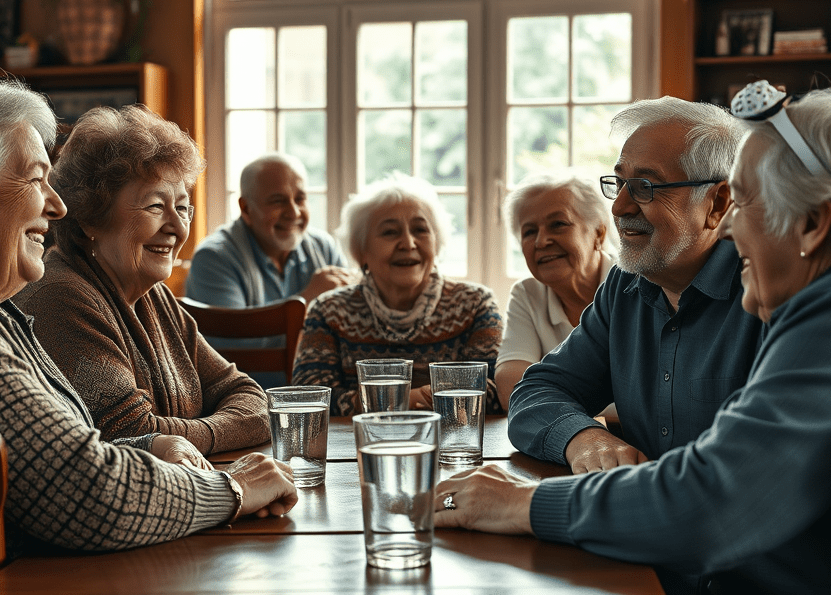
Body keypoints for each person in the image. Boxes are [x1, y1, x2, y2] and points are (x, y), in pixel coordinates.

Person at [435, 82, 831, 595]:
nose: (732, 227)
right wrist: (581, 438)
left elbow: (715, 504)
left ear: (813, 222)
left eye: (746, 202)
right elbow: (542, 389)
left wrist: (518, 503)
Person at [0, 58, 297, 595]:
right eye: (35, 178)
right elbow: (87, 492)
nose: (56, 205)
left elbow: (46, 462)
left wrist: (149, 447)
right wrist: (232, 491)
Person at [507, 98, 762, 476]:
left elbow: (754, 469)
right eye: (620, 184)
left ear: (717, 203)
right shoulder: (624, 286)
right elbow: (535, 392)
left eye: (645, 186)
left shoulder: (766, 290)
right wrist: (582, 438)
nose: (619, 207)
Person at [15, 105, 269, 456]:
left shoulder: (153, 296)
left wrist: (199, 435)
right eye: (155, 207)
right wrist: (222, 430)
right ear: (90, 218)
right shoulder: (61, 298)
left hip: (195, 481)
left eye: (183, 208)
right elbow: (132, 434)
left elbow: (249, 397)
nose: (177, 227)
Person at [292, 174, 503, 416]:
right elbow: (308, 397)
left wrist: (386, 401)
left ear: (437, 243)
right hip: (360, 440)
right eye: (390, 232)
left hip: (451, 439)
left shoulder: (475, 304)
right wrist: (409, 400)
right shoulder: (329, 311)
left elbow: (498, 391)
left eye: (420, 230)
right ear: (361, 251)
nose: (408, 243)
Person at [496, 171, 614, 409]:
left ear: (598, 233)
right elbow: (511, 388)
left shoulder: (635, 287)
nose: (541, 241)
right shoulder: (528, 294)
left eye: (558, 224)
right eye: (529, 232)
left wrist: (548, 400)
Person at [185, 153, 352, 310]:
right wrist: (307, 299)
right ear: (246, 208)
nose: (294, 213)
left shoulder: (323, 247)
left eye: (300, 199)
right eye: (278, 201)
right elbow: (235, 331)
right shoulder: (213, 258)